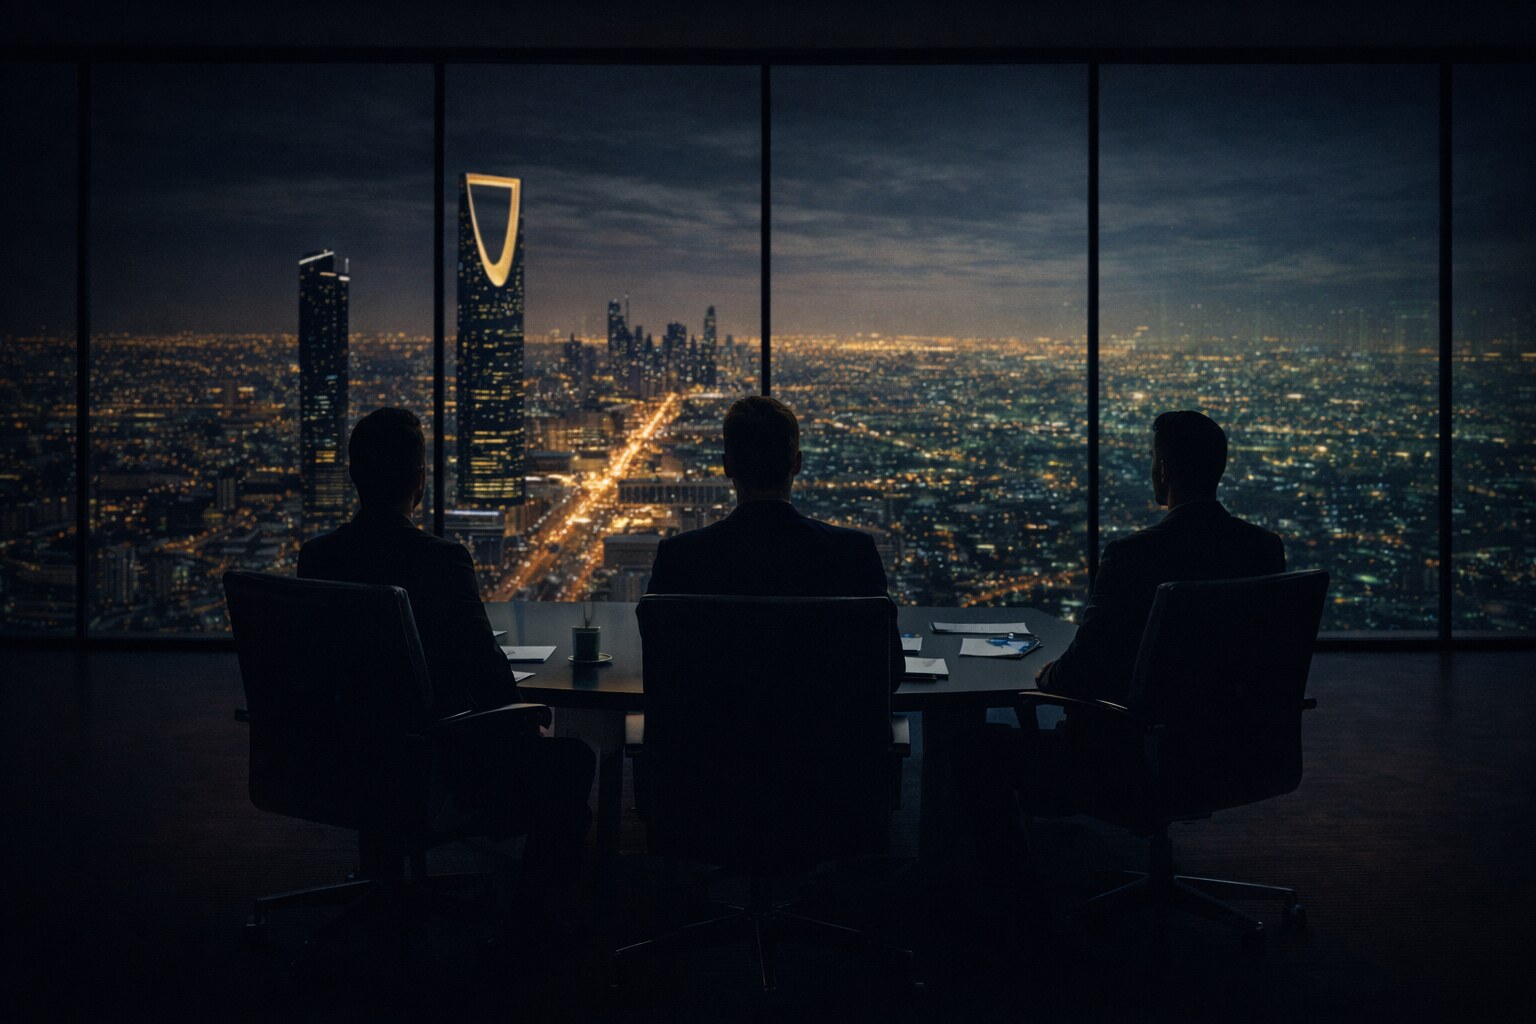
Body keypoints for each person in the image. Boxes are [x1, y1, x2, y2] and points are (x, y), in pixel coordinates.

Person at [951, 411, 1286, 879]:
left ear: (1163, 469)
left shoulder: (1133, 555)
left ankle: (1005, 906)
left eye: (1153, 459)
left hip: (1131, 758)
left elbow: (1083, 672)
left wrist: (1045, 675)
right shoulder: (1263, 549)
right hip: (1237, 750)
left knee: (973, 750)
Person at [298, 407, 595, 918]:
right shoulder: (440, 560)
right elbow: (487, 672)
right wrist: (526, 727)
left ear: (352, 476)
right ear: (420, 482)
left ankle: (383, 880)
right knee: (571, 762)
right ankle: (535, 932)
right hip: (432, 762)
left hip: (334, 761)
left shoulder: (318, 557)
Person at [645, 394, 904, 687]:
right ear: (797, 463)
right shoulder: (853, 554)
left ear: (727, 467)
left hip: (714, 731)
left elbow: (662, 672)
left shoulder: (679, 558)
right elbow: (890, 672)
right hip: (825, 731)